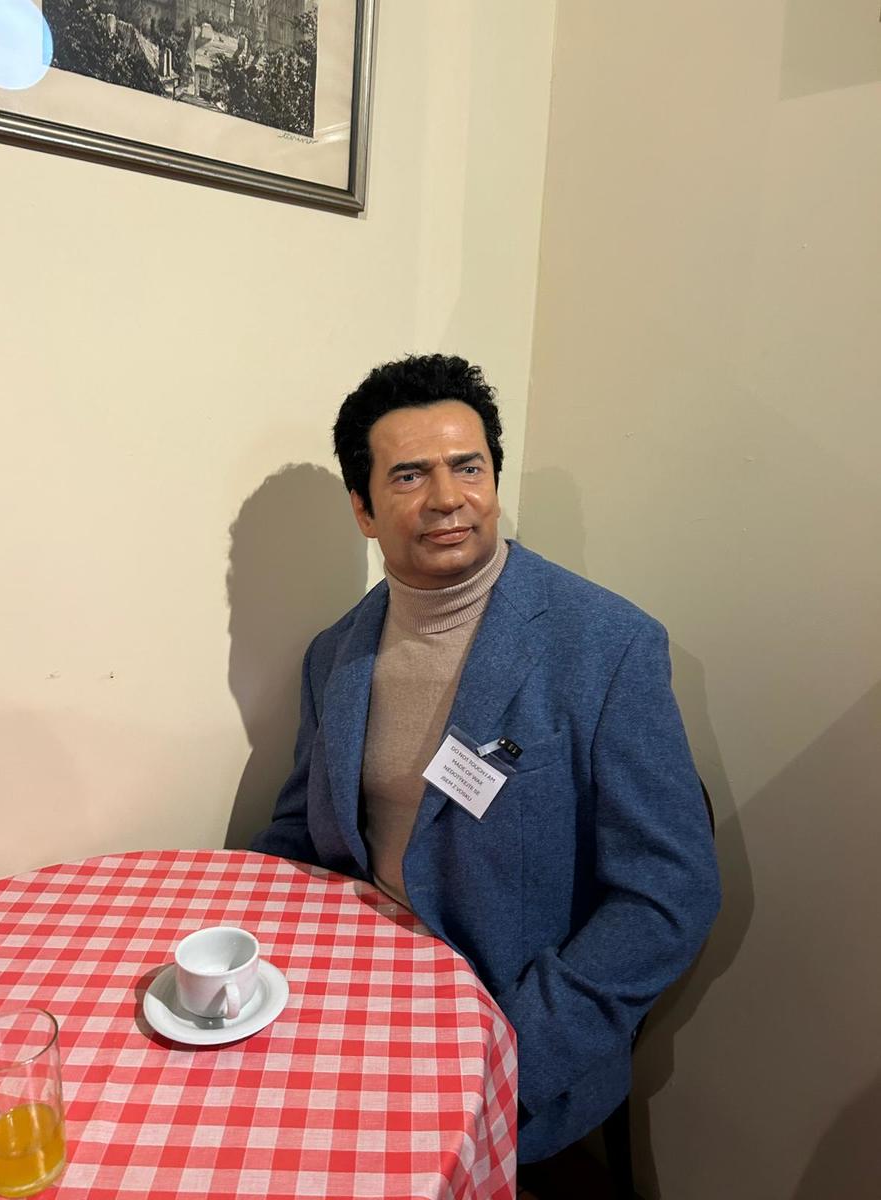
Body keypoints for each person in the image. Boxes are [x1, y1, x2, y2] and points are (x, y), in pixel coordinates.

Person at [251, 353, 721, 1165]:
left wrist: (508, 1049)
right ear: (363, 509)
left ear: (494, 479)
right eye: (408, 476)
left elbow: (669, 893)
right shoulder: (334, 654)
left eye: (467, 467)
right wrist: (239, 945)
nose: (447, 498)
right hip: (359, 999)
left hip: (514, 1025)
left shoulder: (606, 647)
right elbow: (300, 835)